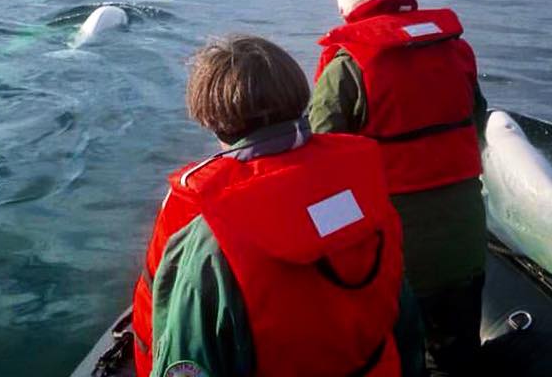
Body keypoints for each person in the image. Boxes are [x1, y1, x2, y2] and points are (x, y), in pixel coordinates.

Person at [132, 35, 420, 377]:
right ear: (298, 99)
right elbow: (403, 316)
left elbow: (190, 355)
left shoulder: (212, 241)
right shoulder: (365, 194)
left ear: (209, 118)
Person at [309, 0, 487, 377]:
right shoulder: (457, 50)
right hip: (466, 234)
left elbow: (320, 161)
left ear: (345, 12)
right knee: (460, 351)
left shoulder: (346, 67)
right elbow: (476, 120)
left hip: (395, 251)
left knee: (399, 355)